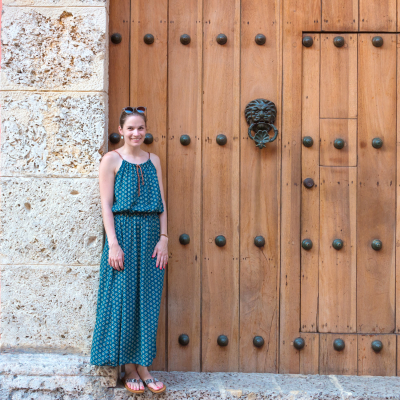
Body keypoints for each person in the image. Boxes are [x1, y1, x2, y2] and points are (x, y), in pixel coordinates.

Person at [90, 106, 168, 394]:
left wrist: (164, 238)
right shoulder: (111, 159)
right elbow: (106, 206)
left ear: (146, 131)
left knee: (147, 300)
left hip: (150, 238)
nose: (136, 133)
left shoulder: (154, 160)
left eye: (141, 128)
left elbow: (162, 203)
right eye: (131, 128)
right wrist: (113, 243)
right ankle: (128, 367)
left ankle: (143, 365)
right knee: (123, 299)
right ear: (121, 131)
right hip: (122, 235)